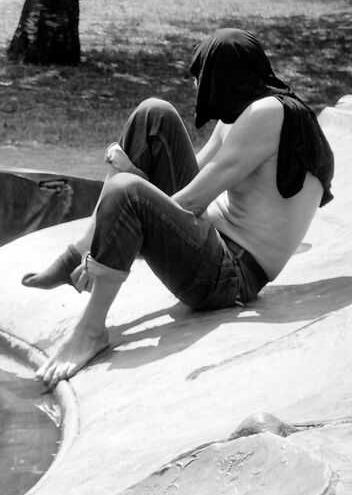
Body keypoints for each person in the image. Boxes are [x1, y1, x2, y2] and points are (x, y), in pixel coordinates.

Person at [22, 28, 335, 390]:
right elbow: (192, 179)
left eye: (201, 74)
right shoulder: (246, 113)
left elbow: (191, 201)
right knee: (154, 114)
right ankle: (77, 251)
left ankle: (90, 330)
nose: (196, 85)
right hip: (212, 241)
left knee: (127, 192)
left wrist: (120, 219)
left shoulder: (267, 114)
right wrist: (137, 175)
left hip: (230, 276)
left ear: (223, 74)